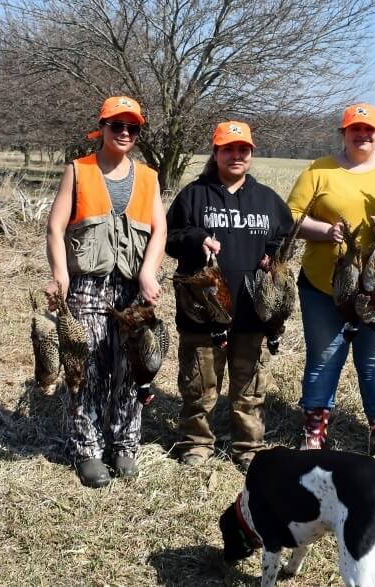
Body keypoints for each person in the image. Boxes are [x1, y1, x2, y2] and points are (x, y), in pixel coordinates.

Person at [286, 103, 375, 466]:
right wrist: (324, 230)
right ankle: (315, 432)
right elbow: (291, 215)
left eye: (369, 129)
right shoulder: (320, 169)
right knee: (323, 358)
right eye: (355, 129)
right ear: (343, 133)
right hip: (325, 286)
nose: (362, 135)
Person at [44, 95, 167, 488]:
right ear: (102, 128)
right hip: (87, 286)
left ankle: (124, 445)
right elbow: (55, 227)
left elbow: (159, 230)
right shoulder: (78, 170)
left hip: (132, 288)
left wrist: (149, 273)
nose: (125, 133)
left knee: (132, 367)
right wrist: (60, 275)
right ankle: (88, 450)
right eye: (117, 125)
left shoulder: (148, 177)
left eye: (133, 127)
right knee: (88, 369)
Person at [166, 121, 292, 471]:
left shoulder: (267, 199)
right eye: (228, 149)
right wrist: (197, 239)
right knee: (199, 384)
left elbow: (285, 237)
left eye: (243, 149)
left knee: (249, 388)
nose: (236, 155)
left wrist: (274, 255)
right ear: (216, 152)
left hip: (253, 311)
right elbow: (168, 238)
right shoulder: (194, 195)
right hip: (203, 309)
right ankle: (196, 442)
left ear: (250, 153)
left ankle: (249, 447)